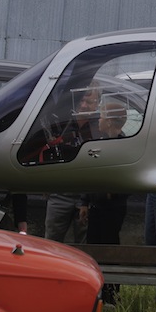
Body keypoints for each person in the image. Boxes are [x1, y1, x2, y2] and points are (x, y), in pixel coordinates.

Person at [79, 94, 130, 304]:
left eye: (101, 116)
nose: (98, 120)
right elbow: (90, 176)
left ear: (109, 121)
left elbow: (129, 177)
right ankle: (95, 292)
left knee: (109, 248)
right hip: (96, 206)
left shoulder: (124, 146)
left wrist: (114, 192)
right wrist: (84, 202)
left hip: (113, 208)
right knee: (93, 249)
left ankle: (111, 294)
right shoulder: (99, 143)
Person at [44, 85, 102, 243]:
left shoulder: (101, 125)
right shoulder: (62, 123)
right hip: (60, 193)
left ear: (97, 103)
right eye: (81, 100)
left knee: (85, 244)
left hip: (89, 194)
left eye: (89, 102)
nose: (83, 105)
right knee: (51, 242)